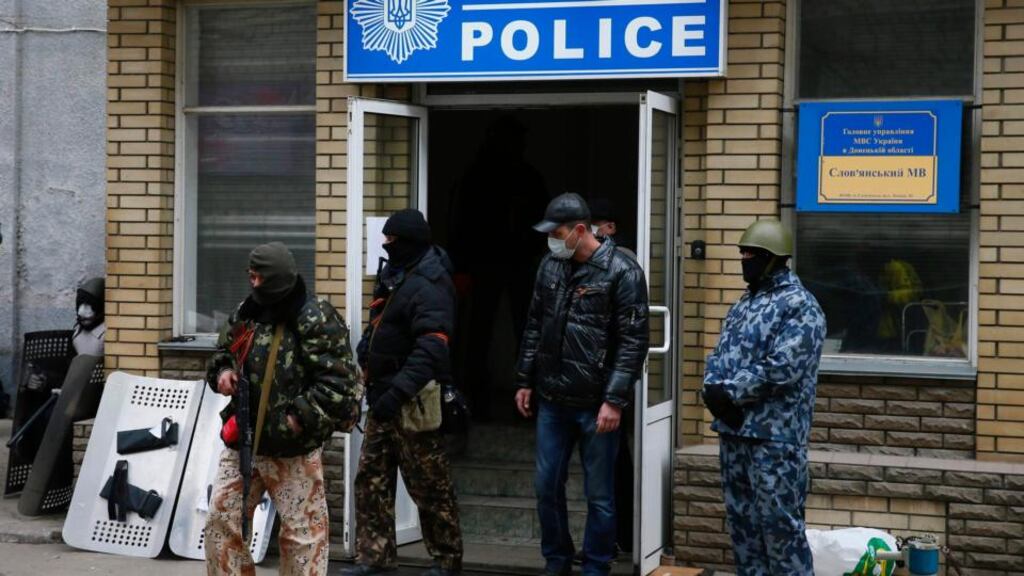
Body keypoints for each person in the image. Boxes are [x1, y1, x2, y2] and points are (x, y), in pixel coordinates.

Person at [204, 241, 362, 576]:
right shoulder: (247, 311)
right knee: (221, 523)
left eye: (259, 277)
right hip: (244, 443)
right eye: (250, 276)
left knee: (302, 537)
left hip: (294, 450)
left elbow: (340, 384)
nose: (253, 284)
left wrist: (297, 419)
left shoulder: (315, 316)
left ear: (276, 278)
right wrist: (223, 373)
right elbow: (222, 353)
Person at [515, 193, 649, 576]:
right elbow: (535, 324)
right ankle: (556, 560)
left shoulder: (622, 271)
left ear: (578, 230)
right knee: (546, 486)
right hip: (553, 398)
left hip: (596, 404)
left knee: (600, 495)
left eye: (556, 233)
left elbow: (633, 342)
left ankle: (595, 566)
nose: (551, 241)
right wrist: (525, 379)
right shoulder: (551, 266)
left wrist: (614, 400)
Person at [702, 219, 826, 576]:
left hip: (775, 439)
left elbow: (784, 367)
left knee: (780, 532)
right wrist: (712, 387)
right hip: (735, 432)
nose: (744, 259)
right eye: (742, 253)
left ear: (773, 258)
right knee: (744, 530)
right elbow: (720, 353)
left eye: (751, 254)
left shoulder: (800, 306)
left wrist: (732, 392)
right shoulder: (744, 304)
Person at [344, 209, 463, 576]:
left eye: (392, 240)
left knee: (429, 485)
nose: (385, 245)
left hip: (414, 400)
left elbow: (431, 348)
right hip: (384, 397)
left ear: (409, 242)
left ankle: (446, 561)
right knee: (372, 480)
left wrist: (394, 394)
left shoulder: (430, 283)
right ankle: (375, 558)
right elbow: (383, 328)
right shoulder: (397, 276)